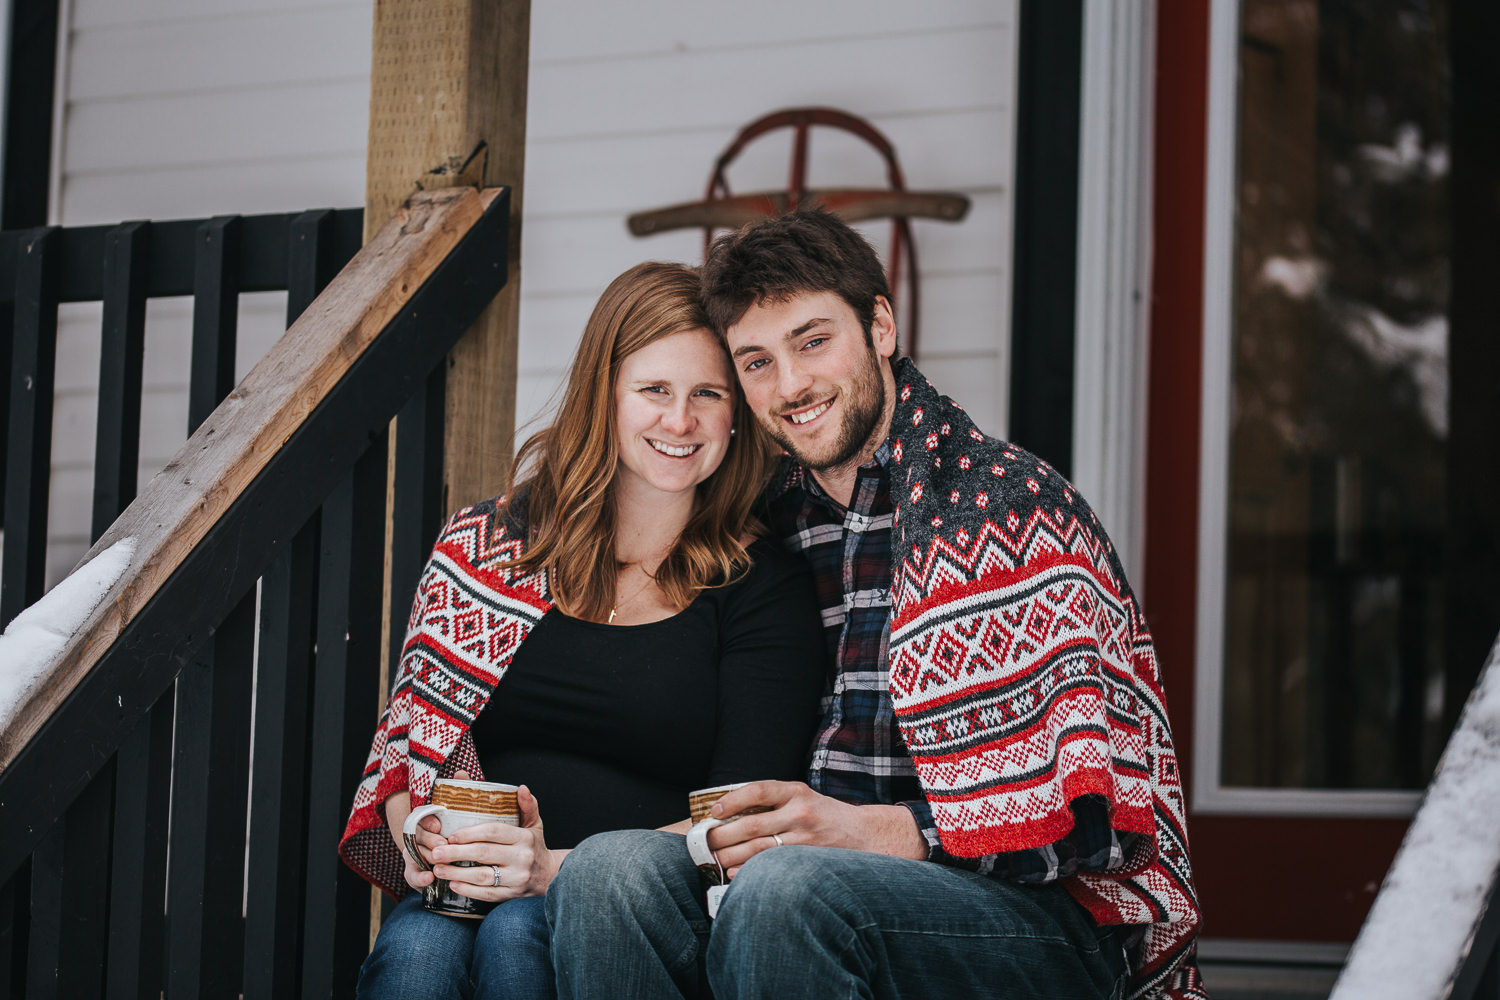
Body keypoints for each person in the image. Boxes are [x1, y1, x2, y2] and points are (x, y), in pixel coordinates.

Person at [548, 212, 1209, 1000]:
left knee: (789, 893)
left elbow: (1092, 826)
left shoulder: (1009, 510)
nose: (790, 386)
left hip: (1037, 919)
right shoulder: (768, 522)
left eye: (813, 341)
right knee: (606, 872)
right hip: (799, 881)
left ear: (881, 326)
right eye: (757, 361)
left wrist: (879, 833)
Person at [338, 261, 826, 1000]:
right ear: (605, 394)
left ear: (737, 413)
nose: (680, 420)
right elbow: (411, 751)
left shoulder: (760, 586)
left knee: (518, 939)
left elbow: (745, 820)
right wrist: (422, 842)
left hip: (639, 912)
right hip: (467, 887)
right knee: (415, 959)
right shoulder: (488, 549)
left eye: (708, 395)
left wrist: (547, 869)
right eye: (654, 390)